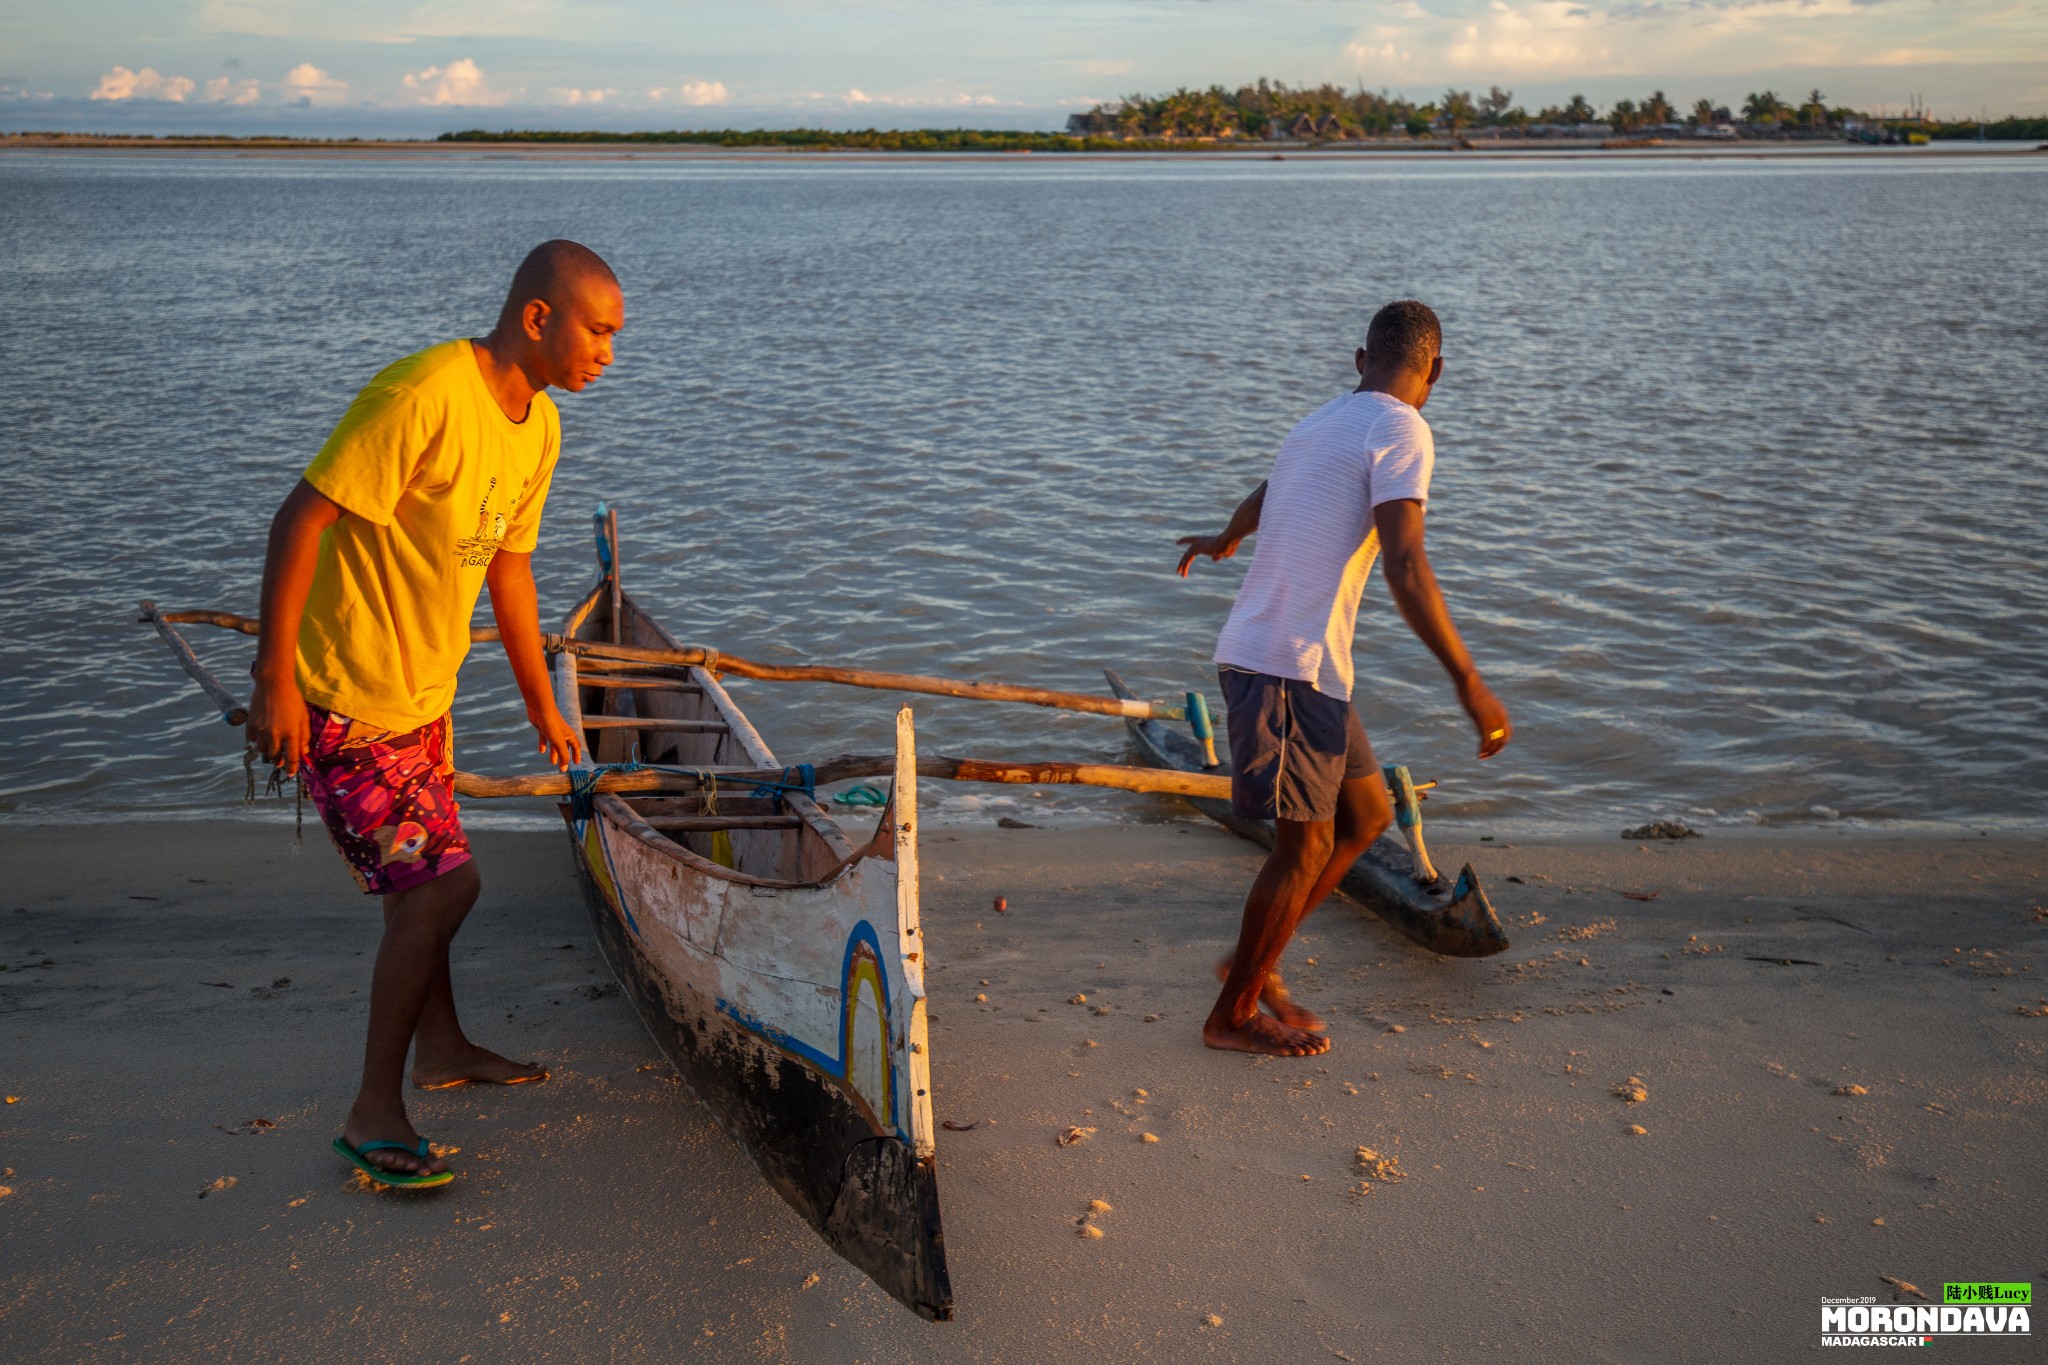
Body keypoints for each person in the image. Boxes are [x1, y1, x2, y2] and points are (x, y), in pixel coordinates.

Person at [245, 240, 623, 1185]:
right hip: (346, 698)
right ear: (538, 317)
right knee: (442, 889)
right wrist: (273, 680)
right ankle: (373, 1105)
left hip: (422, 697)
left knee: (431, 875)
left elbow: (510, 565)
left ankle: (442, 1046)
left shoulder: (537, 425)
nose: (609, 355)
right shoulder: (422, 393)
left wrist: (544, 700)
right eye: (599, 331)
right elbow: (302, 515)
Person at [1175, 300, 1510, 1057]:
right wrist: (1467, 679)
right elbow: (1406, 561)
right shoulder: (1405, 427)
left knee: (1362, 819)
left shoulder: (1323, 420)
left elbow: (1269, 490)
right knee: (1301, 847)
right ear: (1436, 373)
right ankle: (1232, 1011)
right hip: (1285, 666)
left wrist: (1228, 535)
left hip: (1304, 664)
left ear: (1361, 361)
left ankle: (1253, 964)